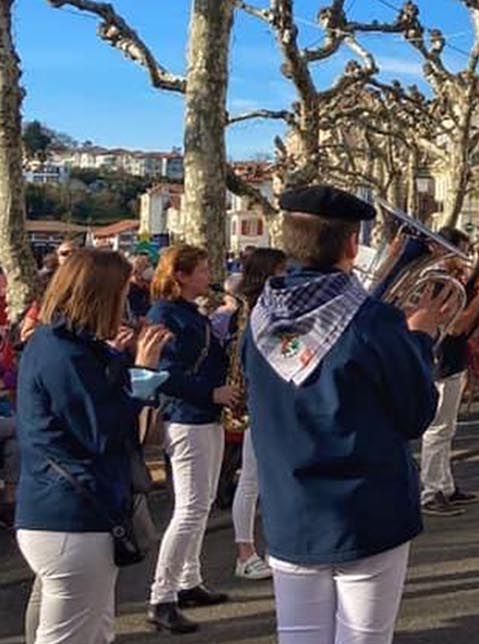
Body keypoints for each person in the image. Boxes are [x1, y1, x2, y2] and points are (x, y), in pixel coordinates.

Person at [244, 185, 442, 644]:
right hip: (366, 511)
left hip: (290, 510)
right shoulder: (375, 322)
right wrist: (418, 339)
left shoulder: (258, 320)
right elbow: (416, 414)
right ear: (353, 243)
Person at [16, 249, 172, 644]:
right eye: (123, 293)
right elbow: (103, 430)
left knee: (91, 630)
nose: (128, 301)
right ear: (102, 295)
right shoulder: (63, 351)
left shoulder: (60, 344)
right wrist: (144, 375)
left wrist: (121, 361)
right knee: (72, 635)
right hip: (74, 514)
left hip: (61, 510)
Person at [148, 244, 239, 634]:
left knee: (200, 506)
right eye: (201, 270)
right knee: (189, 507)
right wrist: (211, 392)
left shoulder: (189, 312)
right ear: (180, 276)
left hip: (206, 415)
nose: (208, 276)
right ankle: (161, 595)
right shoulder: (165, 315)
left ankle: (189, 580)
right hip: (186, 418)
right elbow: (166, 373)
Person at [419, 229, 479, 517]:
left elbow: (465, 327)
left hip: (453, 360)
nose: (466, 259)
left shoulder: (456, 282)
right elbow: (452, 325)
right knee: (437, 430)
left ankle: (445, 484)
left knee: (447, 430)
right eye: (461, 252)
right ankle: (431, 492)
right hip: (439, 361)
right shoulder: (437, 281)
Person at [220, 247, 288, 582]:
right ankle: (244, 552)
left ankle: (269, 546)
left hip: (266, 399)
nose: (287, 277)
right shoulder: (253, 308)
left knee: (264, 479)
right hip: (254, 401)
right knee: (250, 479)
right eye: (281, 271)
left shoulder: (264, 306)